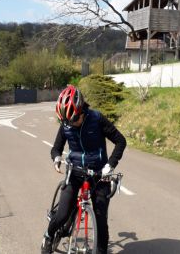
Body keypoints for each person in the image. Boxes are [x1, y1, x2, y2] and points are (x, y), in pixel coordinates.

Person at [41, 85, 126, 254]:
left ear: (82, 110)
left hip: (99, 174)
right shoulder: (66, 123)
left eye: (74, 120)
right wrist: (56, 158)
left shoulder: (97, 119)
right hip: (75, 173)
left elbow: (120, 141)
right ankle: (48, 235)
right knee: (63, 214)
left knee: (101, 220)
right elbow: (56, 148)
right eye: (67, 121)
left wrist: (110, 164)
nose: (71, 124)